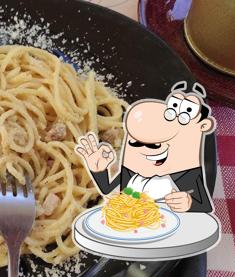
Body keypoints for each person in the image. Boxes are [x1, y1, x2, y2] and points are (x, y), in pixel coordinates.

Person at [76, 81, 215, 213]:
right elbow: (108, 189)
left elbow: (203, 204)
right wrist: (98, 170)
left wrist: (188, 203)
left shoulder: (184, 171)